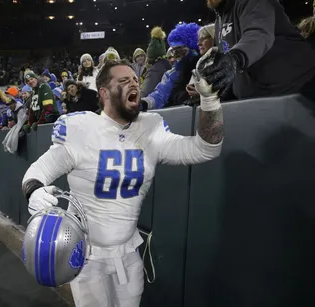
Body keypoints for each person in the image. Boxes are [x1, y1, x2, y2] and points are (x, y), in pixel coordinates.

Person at [21, 49, 224, 307]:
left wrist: (210, 101)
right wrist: (34, 191)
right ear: (104, 93)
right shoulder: (81, 129)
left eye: (134, 80)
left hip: (128, 254)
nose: (133, 84)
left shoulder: (150, 128)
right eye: (123, 81)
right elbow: (37, 172)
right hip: (88, 258)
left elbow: (206, 148)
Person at [204, 0, 315, 100]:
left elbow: (258, 34)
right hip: (259, 98)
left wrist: (235, 57)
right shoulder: (220, 18)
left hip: (296, 88)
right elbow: (229, 66)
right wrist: (211, 89)